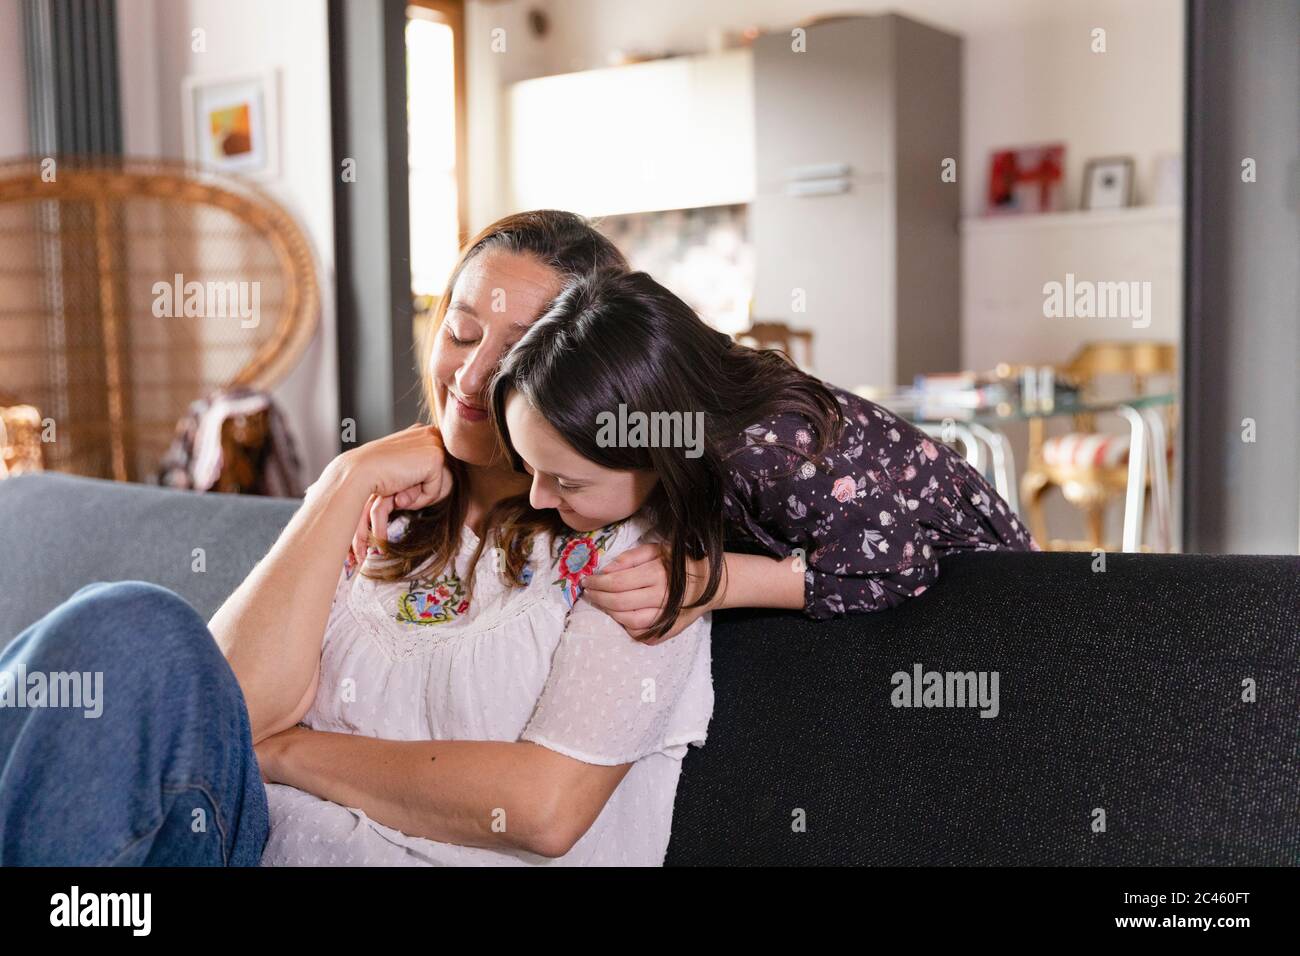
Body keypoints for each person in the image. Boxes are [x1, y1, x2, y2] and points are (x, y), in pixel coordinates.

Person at [0, 211, 711, 866]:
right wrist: (344, 481)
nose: (467, 377)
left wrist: (292, 754)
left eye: (516, 355)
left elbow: (542, 809)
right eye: (460, 334)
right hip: (240, 847)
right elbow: (226, 710)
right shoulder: (381, 507)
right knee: (126, 622)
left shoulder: (637, 554)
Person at [485, 266, 1039, 643]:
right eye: (529, 469)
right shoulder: (685, 419)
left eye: (566, 482)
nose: (538, 495)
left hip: (980, 590)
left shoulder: (772, 453)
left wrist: (712, 583)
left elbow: (899, 566)